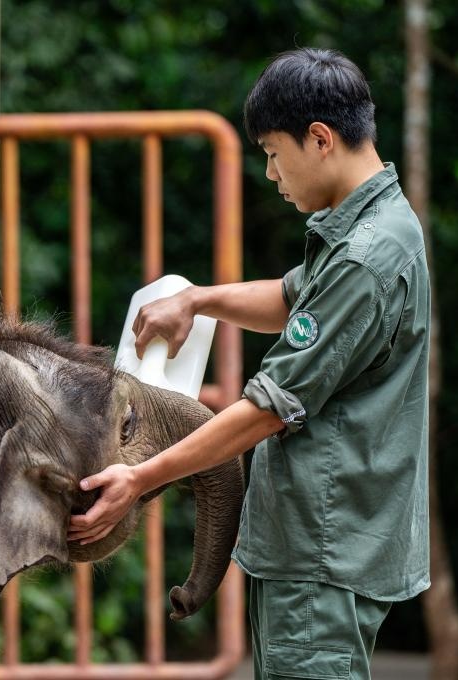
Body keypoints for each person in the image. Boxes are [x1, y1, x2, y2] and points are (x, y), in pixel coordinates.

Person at [68, 47, 431, 680]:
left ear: (319, 139)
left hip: (322, 552)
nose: (270, 173)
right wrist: (197, 299)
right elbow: (292, 299)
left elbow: (268, 409)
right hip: (317, 546)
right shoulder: (372, 226)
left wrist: (140, 477)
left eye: (272, 153)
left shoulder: (365, 259)